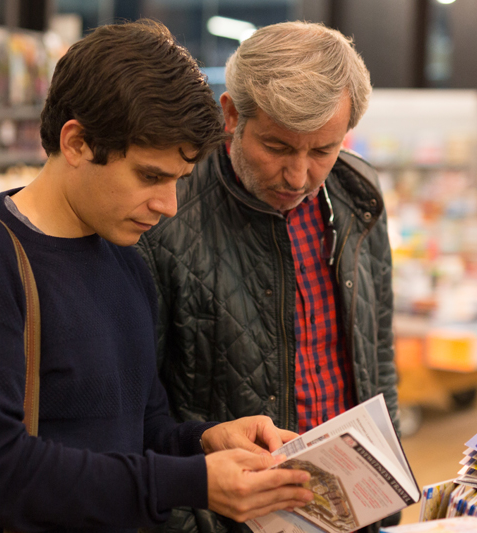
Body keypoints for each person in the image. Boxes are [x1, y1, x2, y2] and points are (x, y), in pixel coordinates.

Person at [0, 20, 313, 533]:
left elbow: (138, 432)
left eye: (179, 180)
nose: (168, 206)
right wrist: (192, 482)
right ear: (76, 142)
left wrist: (204, 441)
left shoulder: (125, 262)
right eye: (150, 176)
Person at [137, 21, 400, 532]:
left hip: (352, 506)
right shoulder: (165, 217)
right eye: (278, 147)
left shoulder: (358, 195)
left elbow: (377, 355)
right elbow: (142, 412)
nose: (298, 176)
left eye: (322, 150)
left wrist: (385, 493)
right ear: (232, 114)